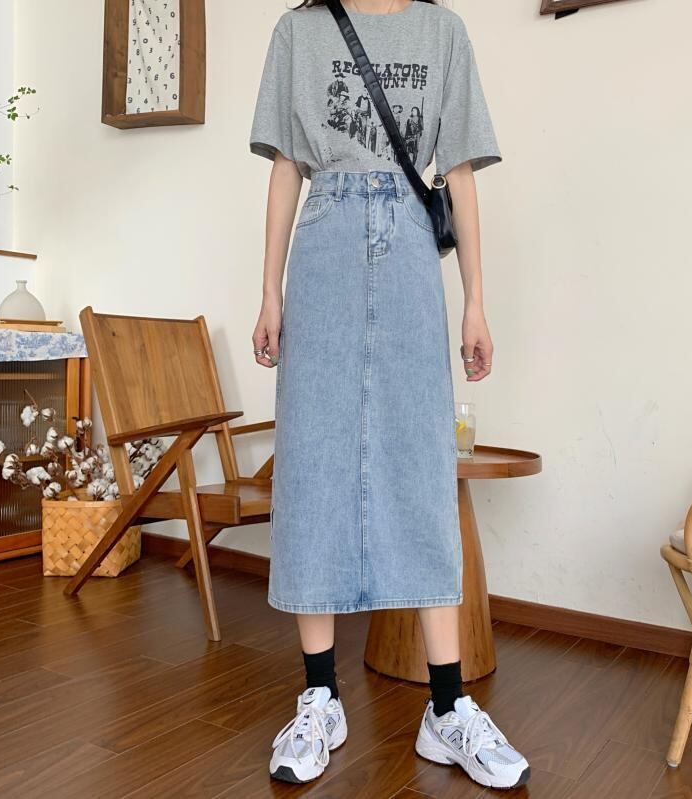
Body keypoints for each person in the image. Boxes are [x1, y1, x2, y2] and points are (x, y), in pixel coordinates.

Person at [249, 0, 530, 790]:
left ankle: (447, 707)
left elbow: (459, 174)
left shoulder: (443, 32)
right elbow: (286, 168)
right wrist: (268, 292)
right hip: (324, 247)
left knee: (418, 461)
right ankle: (319, 697)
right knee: (314, 461)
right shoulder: (298, 31)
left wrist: (475, 301)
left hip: (410, 251)